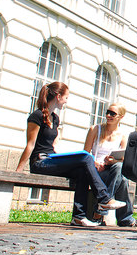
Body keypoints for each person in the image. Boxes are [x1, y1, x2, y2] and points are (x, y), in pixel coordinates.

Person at [16, 82, 126, 227]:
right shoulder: (36, 116)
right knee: (86, 157)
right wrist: (19, 171)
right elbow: (30, 145)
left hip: (51, 160)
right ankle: (104, 199)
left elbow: (54, 146)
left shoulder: (55, 118)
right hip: (39, 162)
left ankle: (78, 217)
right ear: (58, 96)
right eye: (66, 97)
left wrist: (67, 161)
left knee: (82, 171)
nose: (66, 101)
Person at [83, 102, 137, 227]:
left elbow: (123, 159)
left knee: (119, 169)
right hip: (95, 171)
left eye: (112, 114)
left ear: (120, 117)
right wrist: (95, 162)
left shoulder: (123, 135)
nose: (108, 115)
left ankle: (101, 209)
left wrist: (113, 161)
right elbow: (85, 154)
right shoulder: (95, 129)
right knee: (123, 180)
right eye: (107, 112)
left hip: (111, 170)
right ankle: (125, 218)